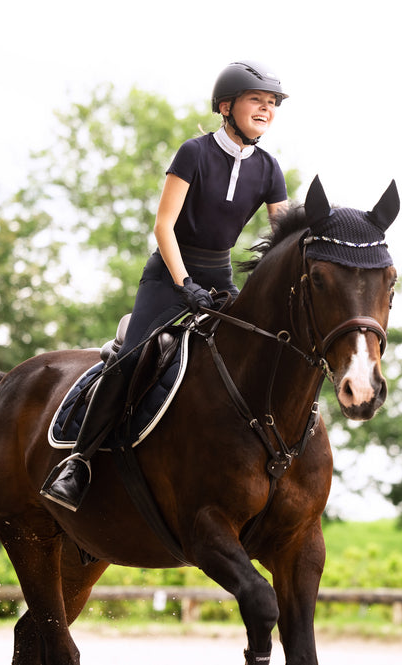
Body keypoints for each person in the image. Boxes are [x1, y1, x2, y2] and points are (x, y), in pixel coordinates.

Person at [41, 61, 290, 511]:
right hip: (169, 274)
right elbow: (163, 226)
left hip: (219, 277)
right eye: (258, 100)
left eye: (272, 104)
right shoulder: (193, 153)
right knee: (133, 357)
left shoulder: (271, 169)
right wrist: (184, 283)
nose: (266, 109)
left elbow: (281, 238)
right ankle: (79, 463)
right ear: (226, 106)